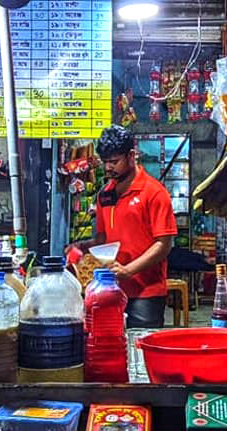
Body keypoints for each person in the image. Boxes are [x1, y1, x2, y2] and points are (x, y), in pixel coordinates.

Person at [71, 125, 177, 328]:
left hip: (145, 292)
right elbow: (103, 239)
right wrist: (82, 246)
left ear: (131, 155)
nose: (108, 168)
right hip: (109, 289)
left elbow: (163, 245)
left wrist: (128, 270)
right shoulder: (105, 194)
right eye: (105, 162)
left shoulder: (154, 193)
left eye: (114, 162)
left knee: (140, 350)